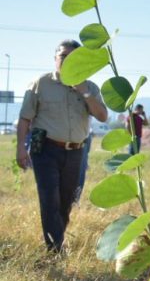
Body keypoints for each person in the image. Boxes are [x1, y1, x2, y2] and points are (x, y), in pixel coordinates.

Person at [15, 40, 109, 254]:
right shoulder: (41, 83)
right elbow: (24, 119)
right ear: (55, 59)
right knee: (50, 198)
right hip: (46, 150)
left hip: (76, 151)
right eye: (63, 56)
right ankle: (55, 249)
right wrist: (21, 147)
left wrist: (83, 91)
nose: (67, 60)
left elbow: (103, 116)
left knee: (67, 200)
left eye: (72, 57)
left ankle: (55, 239)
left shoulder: (90, 87)